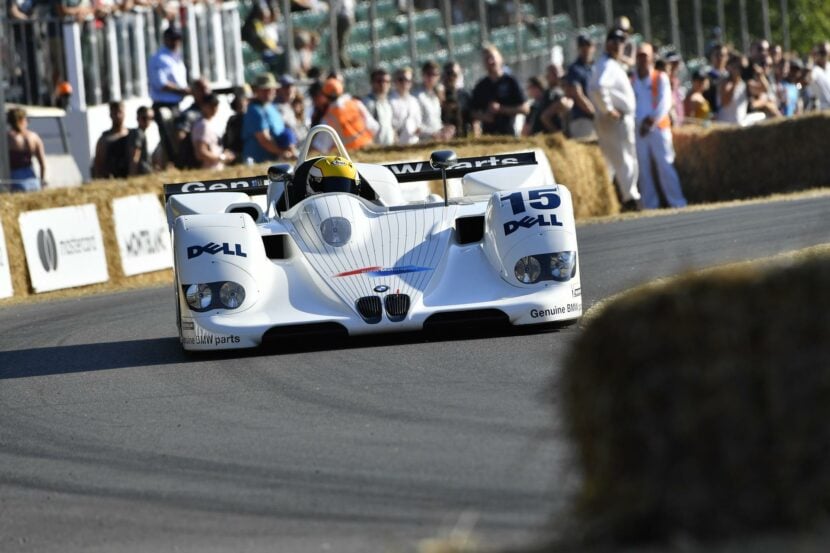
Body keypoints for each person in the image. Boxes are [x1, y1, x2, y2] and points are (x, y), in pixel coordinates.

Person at [589, 27, 640, 212]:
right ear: (608, 44)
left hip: (614, 119)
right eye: (616, 41)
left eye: (622, 42)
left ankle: (608, 201)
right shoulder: (607, 65)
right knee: (625, 158)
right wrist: (608, 109)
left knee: (613, 160)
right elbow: (597, 87)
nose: (620, 45)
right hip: (615, 120)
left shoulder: (610, 64)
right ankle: (630, 199)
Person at [632, 43, 687, 210]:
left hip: (658, 128)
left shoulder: (660, 77)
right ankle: (650, 205)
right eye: (639, 56)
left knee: (665, 165)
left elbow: (665, 103)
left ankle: (677, 202)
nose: (642, 59)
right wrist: (638, 123)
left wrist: (651, 121)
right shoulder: (631, 80)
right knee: (643, 168)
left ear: (651, 58)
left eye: (645, 56)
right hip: (639, 130)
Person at [148, 26, 191, 166]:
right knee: (168, 138)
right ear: (166, 39)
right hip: (163, 104)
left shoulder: (176, 58)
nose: (176, 42)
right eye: (173, 39)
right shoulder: (159, 58)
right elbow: (161, 83)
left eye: (178, 39)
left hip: (176, 104)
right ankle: (172, 163)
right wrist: (183, 91)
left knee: (175, 137)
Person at [470, 44, 528, 136]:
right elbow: (472, 112)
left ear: (500, 59)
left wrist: (501, 109)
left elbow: (525, 108)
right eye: (486, 59)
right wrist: (484, 117)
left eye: (492, 57)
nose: (490, 61)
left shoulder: (511, 81)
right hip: (489, 137)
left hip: (509, 134)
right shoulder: (480, 86)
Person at [312, 77, 378, 153]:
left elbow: (321, 146)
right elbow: (374, 127)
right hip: (369, 150)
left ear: (326, 96)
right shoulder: (356, 103)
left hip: (350, 158)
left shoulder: (329, 117)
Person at [242, 72, 296, 163]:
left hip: (274, 161)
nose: (269, 92)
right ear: (257, 90)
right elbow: (264, 140)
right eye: (264, 89)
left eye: (271, 89)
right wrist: (283, 152)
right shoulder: (254, 111)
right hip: (257, 162)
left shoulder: (272, 107)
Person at [6, 107, 46, 192]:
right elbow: (42, 164)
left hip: (15, 178)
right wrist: (42, 182)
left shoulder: (7, 137)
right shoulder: (34, 137)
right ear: (23, 120)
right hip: (32, 178)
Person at [564, 34, 596, 140]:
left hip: (596, 119)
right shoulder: (575, 69)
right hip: (583, 120)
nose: (585, 48)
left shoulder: (594, 67)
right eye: (582, 45)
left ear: (593, 47)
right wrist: (594, 113)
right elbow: (578, 95)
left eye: (588, 45)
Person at [192, 93, 235, 170]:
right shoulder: (202, 125)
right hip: (208, 170)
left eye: (216, 105)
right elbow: (201, 153)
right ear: (203, 106)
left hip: (217, 169)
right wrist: (223, 157)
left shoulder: (211, 123)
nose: (214, 108)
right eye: (211, 105)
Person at [415, 60, 451, 141]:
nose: (431, 77)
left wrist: (444, 129)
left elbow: (435, 121)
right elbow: (415, 125)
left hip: (437, 140)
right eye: (428, 74)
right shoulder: (417, 96)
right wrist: (433, 133)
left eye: (434, 74)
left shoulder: (436, 95)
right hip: (423, 141)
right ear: (423, 75)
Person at [93, 100, 130, 179]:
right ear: (110, 115)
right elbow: (98, 165)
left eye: (120, 112)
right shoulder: (104, 139)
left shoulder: (132, 136)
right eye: (115, 113)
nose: (118, 116)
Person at [389, 66, 422, 145]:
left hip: (414, 143)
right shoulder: (389, 101)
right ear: (395, 81)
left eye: (408, 80)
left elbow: (418, 123)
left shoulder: (414, 101)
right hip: (397, 146)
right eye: (401, 80)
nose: (404, 83)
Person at [363, 68, 396, 146]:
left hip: (389, 148)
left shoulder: (388, 102)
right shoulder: (367, 103)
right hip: (375, 149)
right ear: (372, 83)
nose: (383, 84)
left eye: (387, 82)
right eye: (379, 81)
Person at [441, 61, 472, 138]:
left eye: (454, 74)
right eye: (448, 74)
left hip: (463, 136)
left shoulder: (465, 95)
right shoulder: (438, 95)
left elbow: (472, 116)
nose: (451, 77)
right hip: (444, 137)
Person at [717, 54, 749, 125]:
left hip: (740, 126)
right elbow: (724, 102)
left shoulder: (744, 84)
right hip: (725, 126)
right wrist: (735, 83)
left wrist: (760, 75)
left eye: (741, 67)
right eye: (736, 67)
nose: (739, 70)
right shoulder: (724, 82)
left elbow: (764, 89)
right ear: (729, 67)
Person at [127, 105, 154, 176]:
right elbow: (135, 157)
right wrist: (132, 177)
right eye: (144, 118)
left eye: (150, 118)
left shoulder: (142, 133)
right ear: (137, 118)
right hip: (141, 175)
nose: (148, 121)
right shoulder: (138, 133)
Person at [224, 90, 248, 163]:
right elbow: (229, 137)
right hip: (237, 151)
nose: (242, 105)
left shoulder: (250, 117)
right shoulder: (233, 120)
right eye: (239, 103)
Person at [810, 42, 830, 110]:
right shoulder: (814, 70)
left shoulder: (829, 66)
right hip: (823, 110)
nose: (824, 55)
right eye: (822, 53)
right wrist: (812, 61)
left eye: (824, 53)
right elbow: (808, 79)